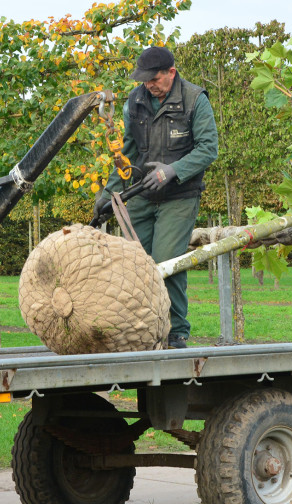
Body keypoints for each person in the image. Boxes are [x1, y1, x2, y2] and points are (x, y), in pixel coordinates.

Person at [95, 46, 218, 349]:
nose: (149, 84)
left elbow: (208, 149)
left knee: (166, 261)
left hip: (179, 195)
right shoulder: (135, 102)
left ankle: (176, 333)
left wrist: (172, 170)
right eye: (145, 79)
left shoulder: (194, 100)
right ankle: (138, 330)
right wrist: (111, 194)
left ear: (171, 73)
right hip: (142, 194)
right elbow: (127, 153)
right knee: (131, 263)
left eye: (154, 78)